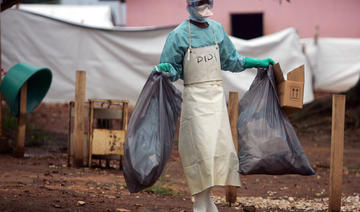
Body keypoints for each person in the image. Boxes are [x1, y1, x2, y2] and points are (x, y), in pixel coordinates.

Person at [153, 0, 274, 211]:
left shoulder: (217, 29)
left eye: (206, 2)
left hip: (216, 99)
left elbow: (230, 60)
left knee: (217, 149)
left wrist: (254, 63)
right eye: (199, 3)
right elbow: (173, 70)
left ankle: (207, 200)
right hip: (195, 99)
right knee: (199, 150)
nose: (203, 6)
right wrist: (166, 69)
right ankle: (200, 202)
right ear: (189, 5)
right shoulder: (179, 35)